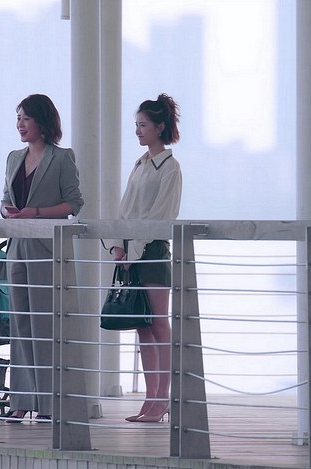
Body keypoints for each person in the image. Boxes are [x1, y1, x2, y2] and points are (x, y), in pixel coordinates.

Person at [0, 94, 84, 422]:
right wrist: (8, 211)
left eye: (26, 118)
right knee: (20, 324)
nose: (20, 124)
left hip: (47, 250)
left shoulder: (62, 158)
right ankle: (21, 400)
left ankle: (50, 403)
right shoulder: (13, 158)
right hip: (17, 248)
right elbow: (5, 199)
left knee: (46, 325)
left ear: (42, 122)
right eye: (18, 118)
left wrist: (34, 213)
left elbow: (73, 204)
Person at [104, 93, 182, 423]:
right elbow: (125, 210)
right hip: (132, 254)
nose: (137, 130)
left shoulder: (170, 167)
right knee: (143, 328)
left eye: (143, 125)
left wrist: (132, 252)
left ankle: (162, 399)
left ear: (159, 127)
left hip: (152, 252)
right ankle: (151, 401)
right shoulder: (140, 164)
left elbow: (160, 216)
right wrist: (117, 247)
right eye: (136, 125)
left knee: (158, 324)